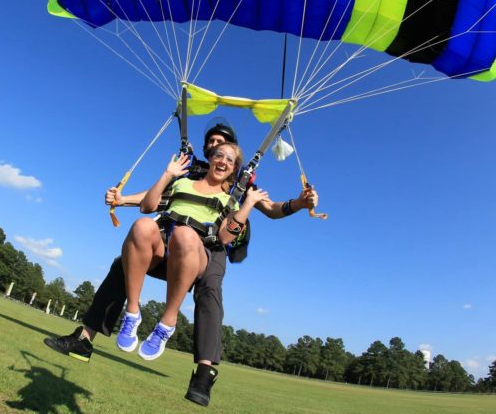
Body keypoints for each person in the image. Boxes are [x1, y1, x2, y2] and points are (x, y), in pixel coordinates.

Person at [44, 121, 318, 406]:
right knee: (124, 260)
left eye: (223, 144)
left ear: (234, 156)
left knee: (210, 286)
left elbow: (272, 209)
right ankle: (85, 339)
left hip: (209, 244)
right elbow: (157, 200)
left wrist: (299, 203)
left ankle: (203, 372)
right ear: (207, 151)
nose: (217, 148)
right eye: (212, 143)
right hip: (167, 239)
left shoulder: (241, 185)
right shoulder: (187, 172)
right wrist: (122, 199)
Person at [118, 142, 267, 361]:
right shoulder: (184, 183)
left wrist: (247, 205)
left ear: (234, 168)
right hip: (163, 248)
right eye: (219, 155)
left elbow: (226, 237)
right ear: (210, 158)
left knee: (185, 234)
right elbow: (147, 207)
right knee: (142, 225)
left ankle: (167, 322)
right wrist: (168, 175)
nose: (223, 161)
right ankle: (131, 313)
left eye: (229, 159)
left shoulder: (230, 201)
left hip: (197, 256)